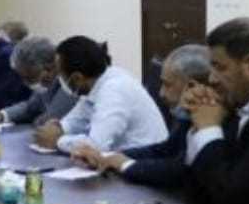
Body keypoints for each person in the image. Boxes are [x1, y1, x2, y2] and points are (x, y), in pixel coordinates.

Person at [183, 17, 249, 204]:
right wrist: (197, 119)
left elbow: (232, 199)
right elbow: (198, 189)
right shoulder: (243, 101)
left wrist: (208, 129)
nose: (211, 79)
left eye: (220, 67)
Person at [74, 44, 210, 188]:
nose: (161, 93)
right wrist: (107, 157)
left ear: (193, 86)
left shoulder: (217, 124)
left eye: (167, 85)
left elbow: (180, 170)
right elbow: (165, 150)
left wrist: (125, 164)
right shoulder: (186, 117)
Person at [32, 37, 167, 155]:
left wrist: (57, 141)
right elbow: (79, 118)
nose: (59, 79)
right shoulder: (96, 83)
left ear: (77, 78)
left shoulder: (114, 89)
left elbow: (96, 145)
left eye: (60, 74)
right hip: (122, 160)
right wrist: (59, 128)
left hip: (143, 164)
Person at [0, 37, 78, 126]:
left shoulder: (71, 81)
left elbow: (50, 120)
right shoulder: (46, 81)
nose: (26, 83)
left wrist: (37, 120)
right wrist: (3, 115)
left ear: (48, 68)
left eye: (30, 77)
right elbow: (30, 107)